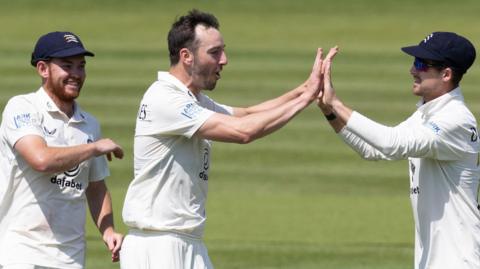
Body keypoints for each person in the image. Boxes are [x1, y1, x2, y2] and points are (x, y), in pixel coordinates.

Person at [120, 9, 333, 269]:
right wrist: (305, 99)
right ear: (186, 56)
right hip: (159, 245)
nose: (224, 60)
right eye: (214, 52)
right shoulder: (165, 98)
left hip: (188, 241)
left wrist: (304, 89)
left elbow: (247, 114)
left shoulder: (193, 99)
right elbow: (243, 131)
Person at [318, 32, 479, 269]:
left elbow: (391, 143)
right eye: (415, 62)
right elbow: (374, 150)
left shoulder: (455, 120)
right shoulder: (427, 114)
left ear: (446, 74)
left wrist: (337, 103)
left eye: (422, 64)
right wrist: (329, 111)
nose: (413, 70)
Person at [0, 31, 125, 269]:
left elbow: (96, 186)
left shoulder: (90, 124)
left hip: (71, 258)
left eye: (81, 66)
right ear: (42, 69)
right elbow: (41, 160)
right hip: (21, 254)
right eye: (67, 66)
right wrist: (94, 147)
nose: (76, 74)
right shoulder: (22, 108)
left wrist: (108, 231)